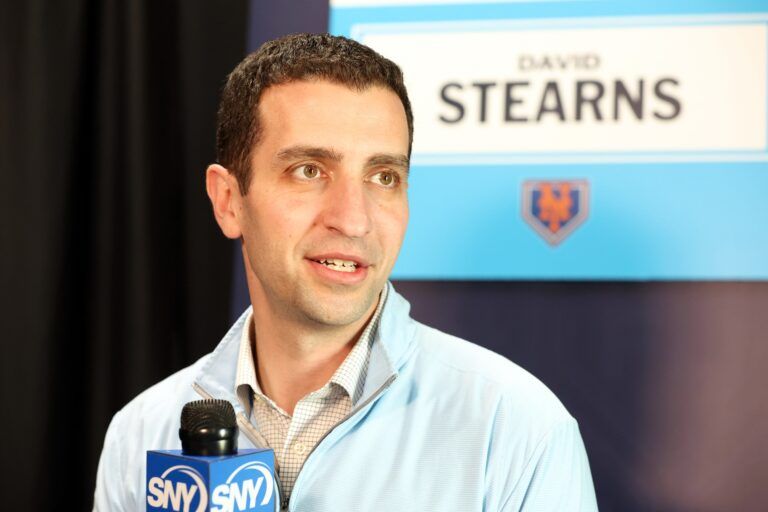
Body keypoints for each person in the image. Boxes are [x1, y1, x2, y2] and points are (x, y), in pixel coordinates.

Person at [93, 33, 597, 511]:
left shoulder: (514, 428)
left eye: (383, 177)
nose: (354, 219)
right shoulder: (141, 431)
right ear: (229, 201)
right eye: (309, 170)